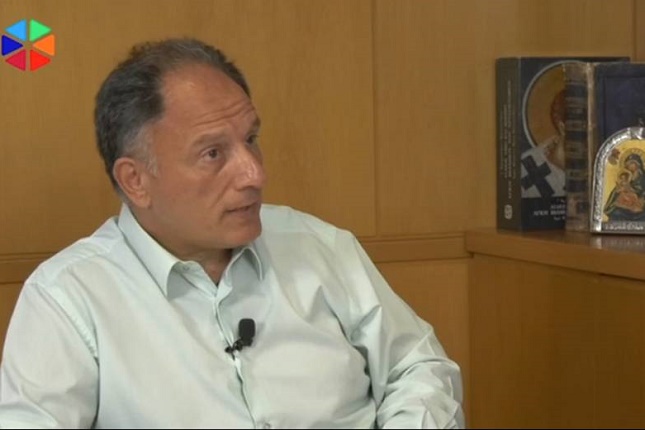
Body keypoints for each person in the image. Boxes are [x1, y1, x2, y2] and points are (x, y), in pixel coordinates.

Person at [0, 38, 464, 429]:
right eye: (213, 154)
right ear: (135, 180)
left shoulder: (318, 244)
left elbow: (418, 367)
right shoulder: (67, 298)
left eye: (251, 140)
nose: (254, 173)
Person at [604, 152, 645, 221]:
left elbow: (641, 191)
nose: (629, 166)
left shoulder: (643, 177)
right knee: (616, 212)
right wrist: (617, 191)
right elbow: (617, 190)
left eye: (631, 163)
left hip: (641, 204)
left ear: (637, 164)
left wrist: (633, 190)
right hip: (627, 204)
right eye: (628, 165)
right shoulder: (626, 176)